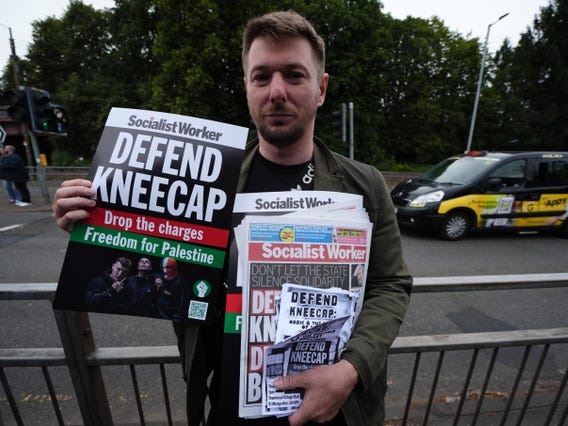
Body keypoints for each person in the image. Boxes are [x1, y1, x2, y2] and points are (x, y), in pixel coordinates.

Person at [51, 10, 412, 426]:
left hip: (336, 407)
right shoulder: (202, 178)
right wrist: (91, 221)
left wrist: (351, 370)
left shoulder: (365, 184)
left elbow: (391, 285)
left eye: (294, 75)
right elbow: (151, 263)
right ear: (247, 88)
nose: (277, 91)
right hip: (229, 401)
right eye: (262, 77)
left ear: (321, 89)